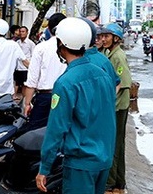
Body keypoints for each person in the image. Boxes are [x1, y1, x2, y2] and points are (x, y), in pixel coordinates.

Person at [36, 18, 116, 194]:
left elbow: (56, 129)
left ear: (61, 44)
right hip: (104, 158)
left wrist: (44, 168)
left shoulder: (65, 83)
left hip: (81, 162)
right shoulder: (103, 74)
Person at [97, 23, 132, 194]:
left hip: (118, 107)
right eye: (102, 36)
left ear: (116, 39)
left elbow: (122, 84)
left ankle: (110, 184)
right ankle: (118, 182)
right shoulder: (106, 53)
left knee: (115, 145)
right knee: (117, 144)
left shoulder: (118, 56)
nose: (103, 39)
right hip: (113, 106)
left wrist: (107, 103)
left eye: (106, 36)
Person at [21, 13, 67, 130]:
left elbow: (32, 79)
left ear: (49, 29)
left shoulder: (41, 48)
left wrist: (27, 103)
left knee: (35, 133)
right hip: (66, 97)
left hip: (45, 97)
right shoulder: (73, 48)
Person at [13, 25, 35, 97]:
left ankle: (24, 99)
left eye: (23, 31)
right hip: (17, 67)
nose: (21, 33)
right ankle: (14, 97)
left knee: (24, 85)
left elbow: (33, 54)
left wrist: (29, 63)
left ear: (27, 33)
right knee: (16, 83)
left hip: (26, 67)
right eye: (20, 31)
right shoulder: (17, 43)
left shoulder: (30, 43)